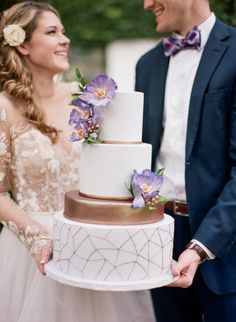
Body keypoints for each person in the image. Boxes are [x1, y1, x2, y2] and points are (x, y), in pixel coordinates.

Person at [0, 2, 156, 322]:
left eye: (65, 31)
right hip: (30, 253)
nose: (65, 39)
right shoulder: (3, 106)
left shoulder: (84, 97)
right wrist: (38, 237)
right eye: (52, 32)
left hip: (93, 245)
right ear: (24, 44)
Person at [135, 1, 236, 322]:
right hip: (158, 235)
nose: (147, 4)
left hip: (223, 240)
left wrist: (202, 245)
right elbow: (141, 155)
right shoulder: (146, 64)